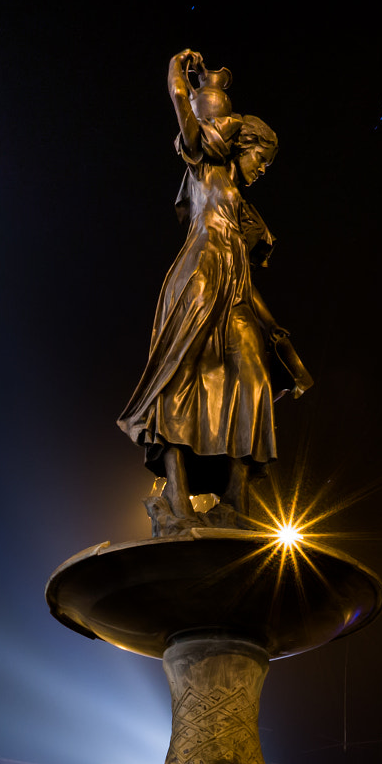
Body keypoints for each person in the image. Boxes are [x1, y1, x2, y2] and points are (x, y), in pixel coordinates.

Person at [119, 50, 313, 530]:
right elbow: (184, 111)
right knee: (182, 376)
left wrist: (278, 335)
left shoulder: (246, 214)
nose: (262, 165)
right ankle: (177, 501)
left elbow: (248, 280)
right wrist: (175, 73)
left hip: (236, 285)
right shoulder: (204, 163)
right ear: (233, 137)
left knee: (252, 380)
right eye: (258, 154)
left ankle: (234, 502)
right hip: (201, 272)